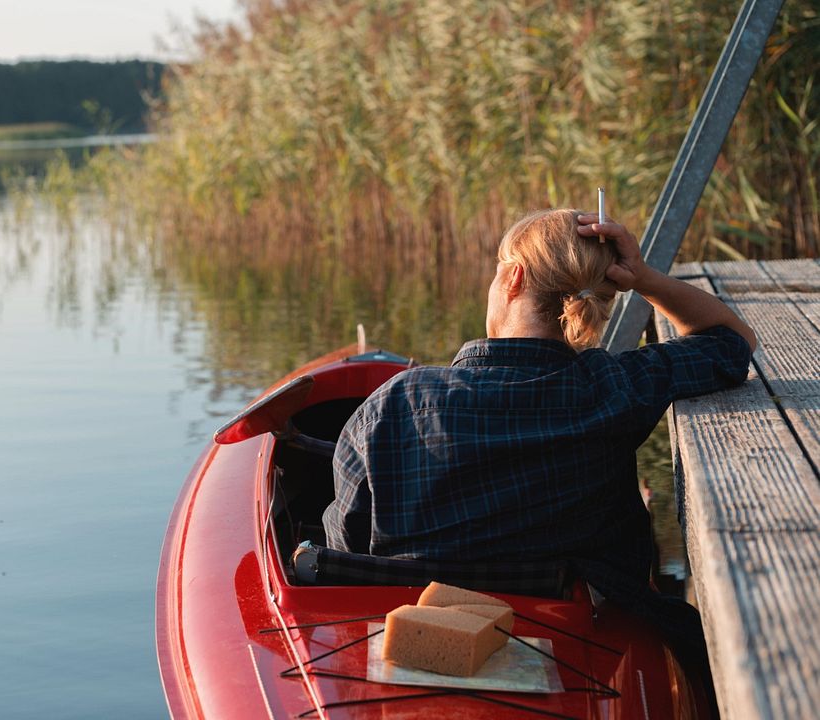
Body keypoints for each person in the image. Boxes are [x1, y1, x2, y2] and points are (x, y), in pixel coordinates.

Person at [322, 207, 756, 666]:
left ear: (512, 278)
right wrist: (645, 278)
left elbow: (348, 555)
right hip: (576, 639)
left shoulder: (394, 404)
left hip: (412, 642)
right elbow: (732, 342)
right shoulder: (614, 386)